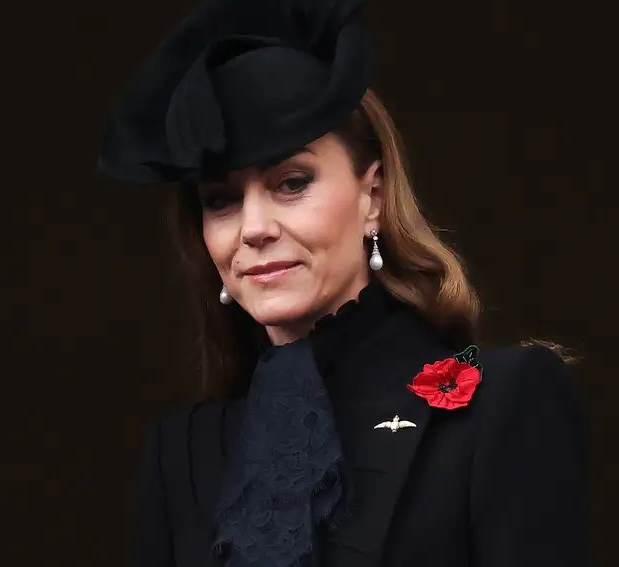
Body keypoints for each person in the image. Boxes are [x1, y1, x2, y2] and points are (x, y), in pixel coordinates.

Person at [97, 0, 589, 565]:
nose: (253, 229)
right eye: (221, 200)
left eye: (292, 182)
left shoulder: (502, 402)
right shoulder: (181, 451)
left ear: (372, 196)